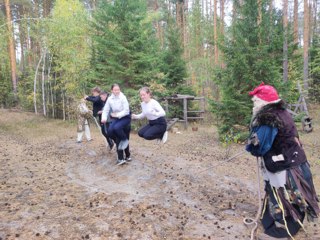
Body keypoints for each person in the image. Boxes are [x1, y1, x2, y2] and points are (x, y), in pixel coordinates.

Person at [246, 83, 319, 239]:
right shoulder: (282, 112)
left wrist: (251, 147)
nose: (253, 103)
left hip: (285, 167)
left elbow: (261, 147)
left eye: (256, 100)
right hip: (295, 161)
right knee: (286, 195)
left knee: (286, 196)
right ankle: (276, 222)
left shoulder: (268, 118)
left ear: (264, 101)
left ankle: (282, 231)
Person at [101, 84, 131, 165]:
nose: (117, 91)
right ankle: (122, 141)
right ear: (112, 91)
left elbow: (126, 111)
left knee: (119, 132)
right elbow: (106, 109)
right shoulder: (110, 99)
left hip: (125, 117)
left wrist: (116, 115)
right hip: (116, 118)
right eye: (115, 90)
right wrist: (103, 118)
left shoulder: (123, 97)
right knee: (110, 132)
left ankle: (126, 155)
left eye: (118, 89)